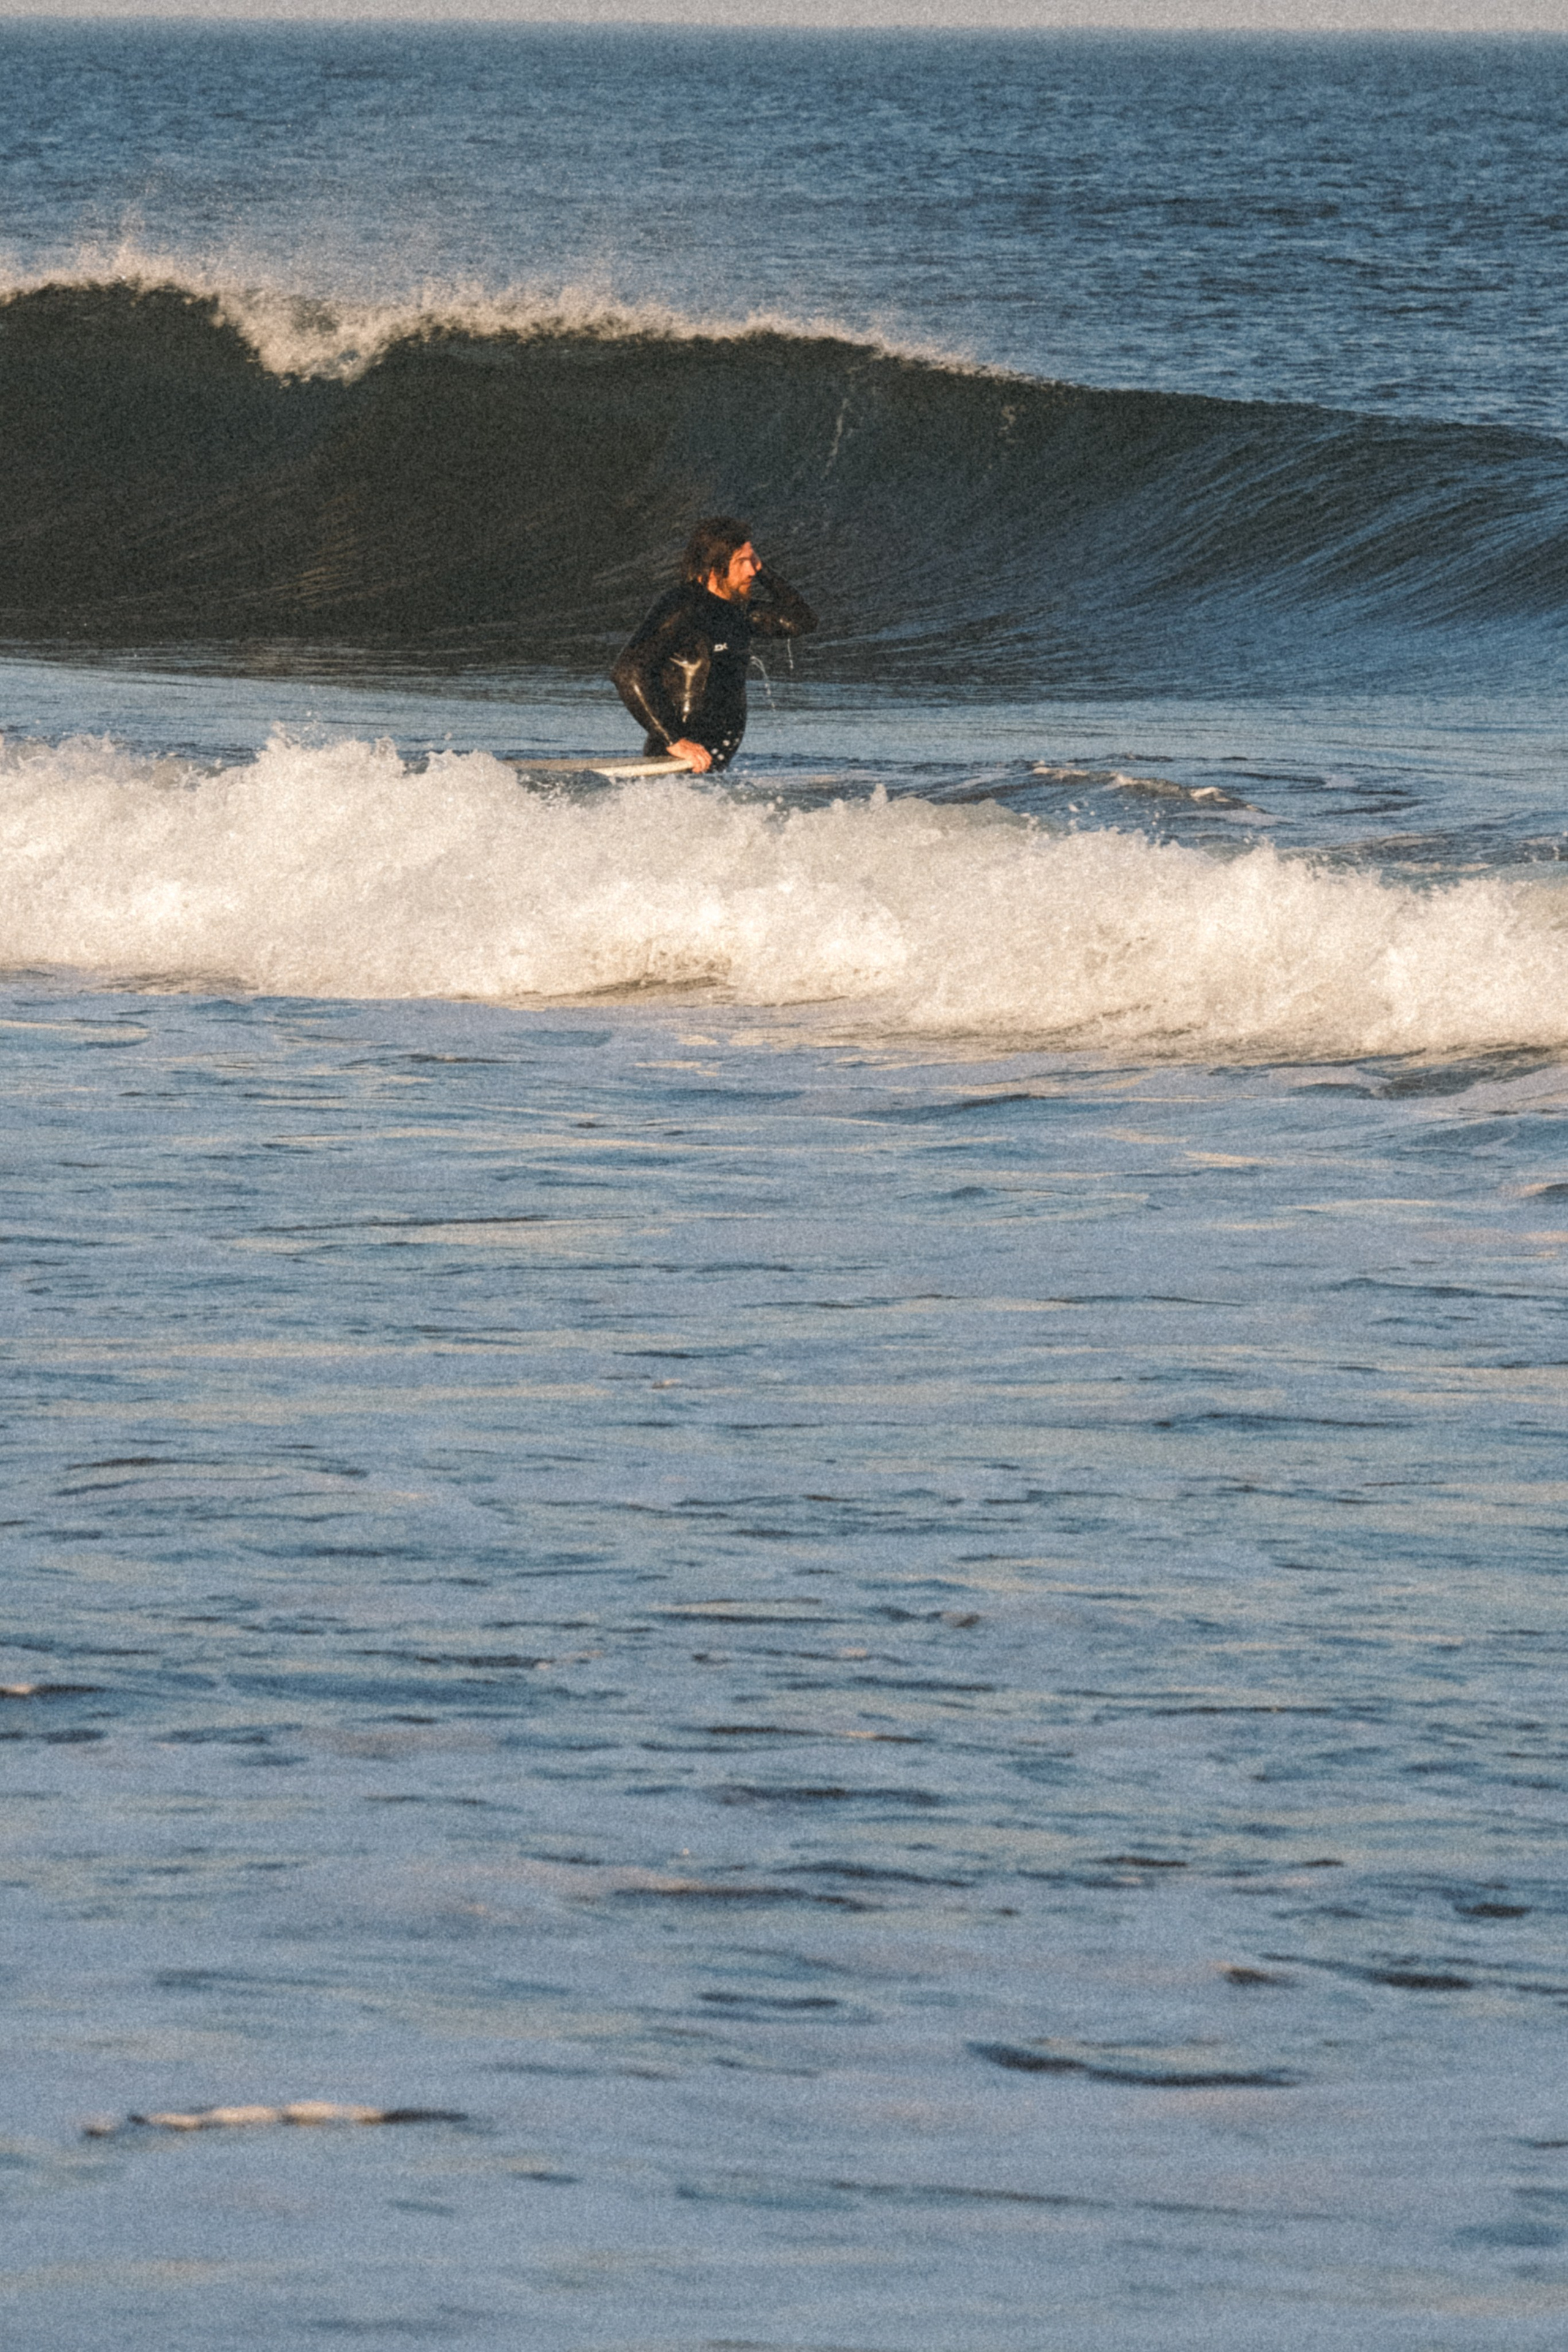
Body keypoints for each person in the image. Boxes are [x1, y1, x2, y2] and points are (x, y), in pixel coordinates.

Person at [611, 516, 817, 773]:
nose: (751, 571)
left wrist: (762, 568)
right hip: (675, 765)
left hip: (710, 768)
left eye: (752, 561)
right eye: (741, 562)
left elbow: (802, 621)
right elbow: (628, 671)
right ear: (715, 566)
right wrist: (674, 740)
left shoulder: (739, 612)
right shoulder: (683, 606)